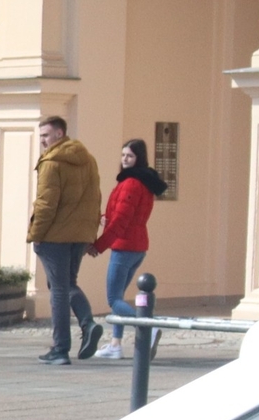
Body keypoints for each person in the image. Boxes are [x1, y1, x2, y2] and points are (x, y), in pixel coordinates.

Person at [27, 117, 102, 366]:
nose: (43, 141)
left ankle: (61, 349)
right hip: (79, 235)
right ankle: (87, 324)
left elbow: (46, 204)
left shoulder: (52, 162)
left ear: (60, 134)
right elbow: (96, 198)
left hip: (55, 236)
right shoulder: (88, 159)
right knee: (67, 284)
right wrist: (90, 234)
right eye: (41, 137)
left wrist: (35, 235)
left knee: (58, 290)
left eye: (46, 135)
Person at [89, 139, 165, 358]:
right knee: (119, 297)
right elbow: (125, 217)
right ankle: (115, 345)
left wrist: (99, 246)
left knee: (113, 299)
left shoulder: (131, 183)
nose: (124, 159)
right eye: (123, 155)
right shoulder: (144, 182)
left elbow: (122, 221)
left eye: (129, 156)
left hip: (124, 247)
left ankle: (147, 327)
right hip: (137, 246)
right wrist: (107, 218)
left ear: (138, 159)